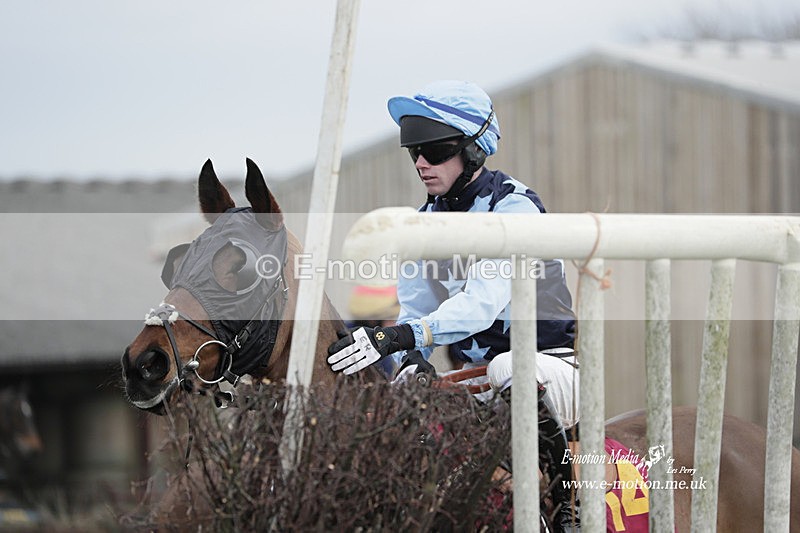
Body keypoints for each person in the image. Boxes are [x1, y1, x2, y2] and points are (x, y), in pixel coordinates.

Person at [327, 80, 580, 531]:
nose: (422, 163)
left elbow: (479, 306)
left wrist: (402, 336)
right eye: (414, 152)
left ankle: (567, 511)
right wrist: (407, 360)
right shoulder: (425, 221)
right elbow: (412, 312)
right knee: (402, 392)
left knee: (508, 368)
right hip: (473, 379)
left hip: (549, 371)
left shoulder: (514, 208)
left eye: (435, 150)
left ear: (475, 150)